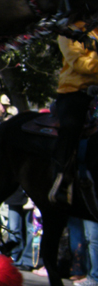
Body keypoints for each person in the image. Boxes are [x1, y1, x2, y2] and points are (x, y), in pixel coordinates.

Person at [49, 25, 98, 204]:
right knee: (71, 126)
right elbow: (80, 64)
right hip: (75, 91)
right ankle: (61, 178)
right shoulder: (69, 32)